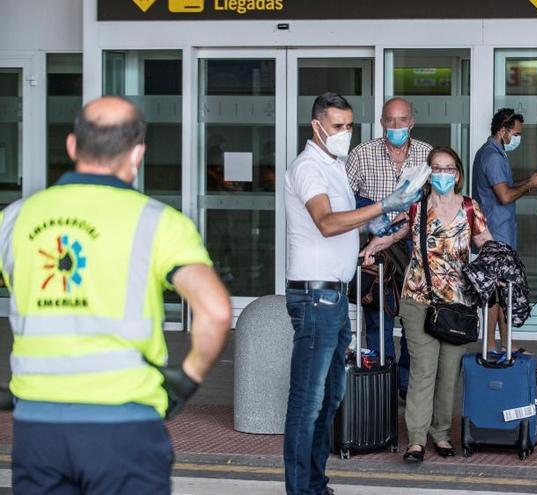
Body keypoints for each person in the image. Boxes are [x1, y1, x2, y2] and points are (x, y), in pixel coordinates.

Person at [0, 96, 232, 494]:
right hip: (123, 424)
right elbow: (214, 311)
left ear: (72, 146)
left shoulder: (15, 218)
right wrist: (186, 381)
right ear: (138, 153)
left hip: (37, 427)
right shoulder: (159, 222)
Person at [283, 92, 422, 495]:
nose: (345, 133)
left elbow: (344, 222)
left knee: (328, 402)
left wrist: (372, 228)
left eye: (349, 126)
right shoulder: (309, 167)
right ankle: (300, 490)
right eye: (338, 126)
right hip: (314, 298)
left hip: (333, 299)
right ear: (317, 126)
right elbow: (326, 222)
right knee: (307, 405)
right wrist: (381, 207)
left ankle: (315, 484)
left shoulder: (336, 167)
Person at [362, 146, 492, 464]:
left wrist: (499, 267)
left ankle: (442, 433)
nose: (443, 174)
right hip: (418, 298)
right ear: (428, 173)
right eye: (436, 168)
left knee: (448, 373)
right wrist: (375, 244)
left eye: (449, 169)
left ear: (458, 174)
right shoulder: (417, 208)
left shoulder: (470, 209)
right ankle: (417, 440)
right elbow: (394, 233)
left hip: (458, 305)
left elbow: (485, 243)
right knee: (423, 370)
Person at [346, 97, 432, 399]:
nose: (397, 126)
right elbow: (343, 202)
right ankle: (381, 383)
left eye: (402, 119)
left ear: (412, 122)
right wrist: (371, 222)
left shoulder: (426, 155)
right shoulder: (361, 154)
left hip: (414, 246)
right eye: (391, 120)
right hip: (375, 248)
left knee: (414, 318)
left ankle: (406, 387)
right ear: (382, 122)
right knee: (377, 317)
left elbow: (434, 204)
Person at [472, 108, 537, 352]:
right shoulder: (492, 156)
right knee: (496, 289)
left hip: (500, 231)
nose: (517, 138)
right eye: (516, 133)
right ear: (503, 131)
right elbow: (505, 196)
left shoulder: (496, 153)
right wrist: (531, 184)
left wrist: (528, 182)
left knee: (504, 287)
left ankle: (504, 342)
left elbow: (503, 188)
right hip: (494, 234)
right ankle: (491, 343)